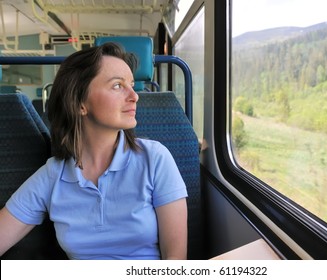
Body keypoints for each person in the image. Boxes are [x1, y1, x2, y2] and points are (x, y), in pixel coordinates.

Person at [0, 42, 188, 260]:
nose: (134, 96)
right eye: (118, 85)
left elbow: (175, 262)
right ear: (80, 103)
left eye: (132, 85)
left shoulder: (155, 159)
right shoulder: (53, 176)